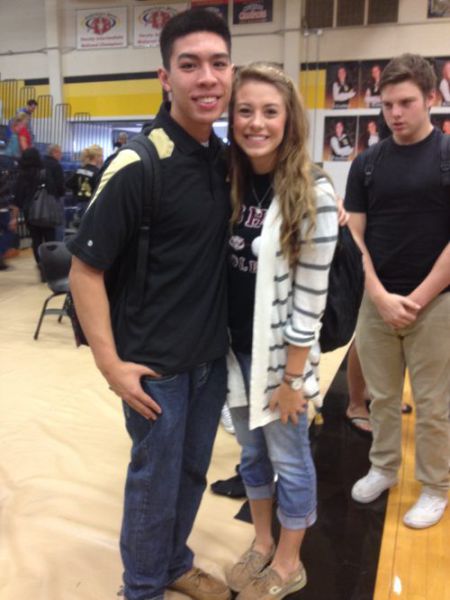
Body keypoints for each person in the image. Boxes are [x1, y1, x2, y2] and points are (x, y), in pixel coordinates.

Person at [68, 9, 233, 600]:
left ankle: (172, 564)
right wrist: (110, 365)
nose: (206, 77)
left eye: (218, 63)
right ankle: (141, 588)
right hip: (153, 368)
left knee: (191, 474)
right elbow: (84, 269)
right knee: (154, 484)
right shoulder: (139, 163)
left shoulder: (223, 159)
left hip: (208, 359)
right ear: (165, 77)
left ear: (231, 72)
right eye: (190, 65)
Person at [226, 62, 338, 599]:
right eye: (245, 110)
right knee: (251, 457)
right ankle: (263, 540)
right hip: (233, 353)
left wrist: (294, 378)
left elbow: (312, 299)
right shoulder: (229, 178)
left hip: (279, 361)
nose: (257, 122)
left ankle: (290, 562)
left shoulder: (312, 191)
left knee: (290, 461)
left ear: (289, 119)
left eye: (270, 111)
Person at [345, 53, 450, 529]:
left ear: (430, 98)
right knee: (383, 398)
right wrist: (379, 295)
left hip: (437, 303)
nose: (395, 114)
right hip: (377, 301)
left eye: (406, 102)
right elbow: (355, 236)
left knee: (432, 404)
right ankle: (384, 467)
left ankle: (435, 486)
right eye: (387, 105)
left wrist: (420, 298)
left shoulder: (446, 156)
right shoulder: (367, 164)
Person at [13, 147, 60, 277]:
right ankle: (52, 267)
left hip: (30, 212)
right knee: (50, 239)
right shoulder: (44, 172)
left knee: (36, 240)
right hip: (47, 211)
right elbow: (55, 190)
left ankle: (41, 265)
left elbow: (18, 197)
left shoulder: (21, 175)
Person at [66, 145, 103, 218]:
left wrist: (77, 192)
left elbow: (68, 184)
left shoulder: (79, 170)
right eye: (101, 156)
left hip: (80, 205)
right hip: (92, 207)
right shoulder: (98, 173)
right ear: (96, 157)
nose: (102, 158)